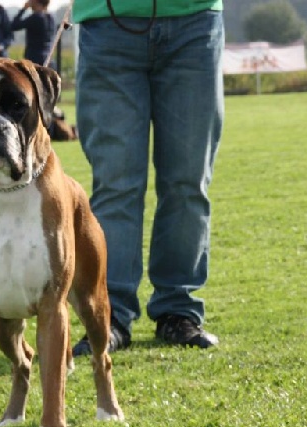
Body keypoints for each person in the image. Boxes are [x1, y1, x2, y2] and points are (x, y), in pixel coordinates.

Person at [71, 0, 224, 354]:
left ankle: (177, 311)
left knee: (188, 182)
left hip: (194, 19)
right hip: (107, 20)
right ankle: (108, 317)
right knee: (116, 184)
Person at [10, 0, 57, 68]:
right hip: (49, 59)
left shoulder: (35, 18)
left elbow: (13, 26)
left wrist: (23, 9)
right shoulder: (51, 18)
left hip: (34, 60)